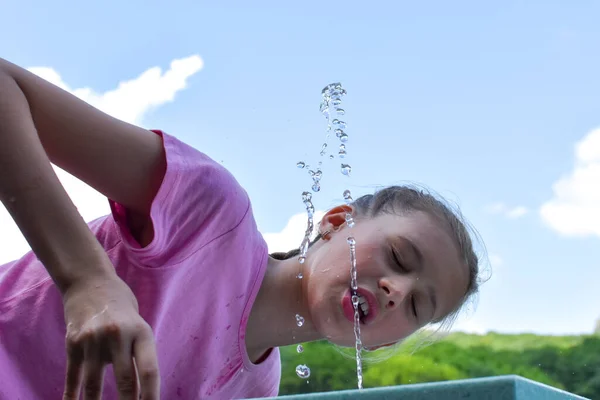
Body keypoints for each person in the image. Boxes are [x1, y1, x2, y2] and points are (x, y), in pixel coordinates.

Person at [0, 57, 482, 399]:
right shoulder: (209, 211)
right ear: (336, 222)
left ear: (387, 343)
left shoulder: (255, 390)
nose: (396, 289)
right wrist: (87, 280)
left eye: (418, 305)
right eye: (399, 258)